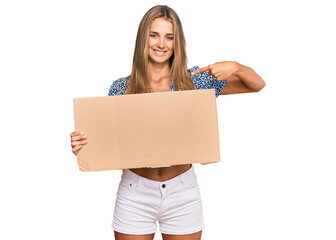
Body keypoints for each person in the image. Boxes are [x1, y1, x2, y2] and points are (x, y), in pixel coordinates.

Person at [70, 5, 265, 240]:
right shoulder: (121, 87)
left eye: (169, 37)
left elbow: (257, 84)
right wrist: (83, 145)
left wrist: (236, 66)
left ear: (177, 43)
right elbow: (110, 143)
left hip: (182, 191)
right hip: (135, 192)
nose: (161, 44)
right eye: (154, 35)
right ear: (143, 38)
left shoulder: (194, 81)